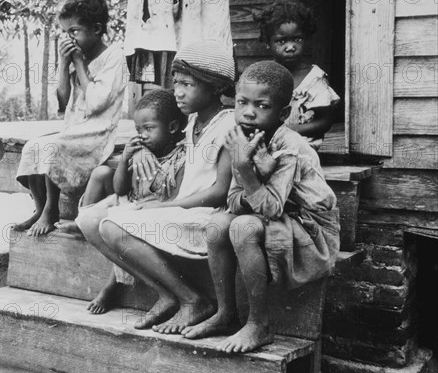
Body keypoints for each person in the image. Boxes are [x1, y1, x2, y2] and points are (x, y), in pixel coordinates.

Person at [182, 61, 340, 354]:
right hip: (279, 220)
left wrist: (246, 170)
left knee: (242, 226)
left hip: (311, 230)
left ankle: (259, 324)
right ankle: (227, 314)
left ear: (281, 113)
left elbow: (271, 209)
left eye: (261, 105)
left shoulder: (289, 147)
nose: (249, 112)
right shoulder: (241, 137)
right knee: (217, 225)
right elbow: (231, 199)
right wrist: (251, 177)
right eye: (242, 102)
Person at [77, 40, 235, 332]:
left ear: (215, 86)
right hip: (182, 210)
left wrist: (164, 206)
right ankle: (165, 294)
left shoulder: (228, 125)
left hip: (205, 216)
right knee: (89, 220)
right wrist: (140, 150)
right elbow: (159, 138)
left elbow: (218, 193)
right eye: (176, 83)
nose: (178, 92)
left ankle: (191, 299)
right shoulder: (191, 124)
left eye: (188, 84)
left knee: (112, 226)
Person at [14, 0, 126, 236]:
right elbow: (63, 101)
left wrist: (77, 62)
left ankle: (51, 209)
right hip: (75, 128)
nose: (69, 39)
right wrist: (64, 64)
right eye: (65, 32)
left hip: (98, 132)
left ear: (96, 29)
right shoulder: (78, 55)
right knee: (34, 146)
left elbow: (97, 102)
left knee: (56, 146)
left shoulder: (115, 58)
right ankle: (40, 206)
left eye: (74, 31)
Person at [63, 89, 186, 314]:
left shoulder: (179, 158)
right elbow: (120, 188)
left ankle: (112, 285)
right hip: (128, 200)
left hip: (150, 210)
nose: (143, 135)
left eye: (149, 129)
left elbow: (169, 199)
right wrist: (126, 158)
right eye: (139, 130)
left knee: (116, 227)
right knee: (106, 207)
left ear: (173, 128)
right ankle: (84, 224)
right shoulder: (141, 150)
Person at [256, 0, 340, 150]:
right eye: (281, 41)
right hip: (270, 144)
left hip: (302, 148)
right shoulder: (264, 75)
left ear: (306, 39)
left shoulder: (314, 79)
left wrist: (290, 131)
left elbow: (325, 121)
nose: (290, 47)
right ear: (268, 43)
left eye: (297, 40)